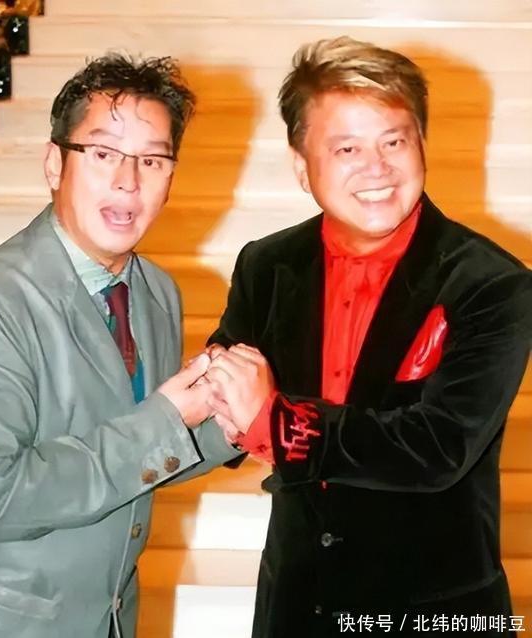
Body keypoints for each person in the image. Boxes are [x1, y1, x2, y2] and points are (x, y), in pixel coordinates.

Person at [0, 54, 239, 638]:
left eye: (152, 160)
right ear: (55, 164)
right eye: (103, 154)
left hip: (101, 616)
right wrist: (166, 419)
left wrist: (229, 424)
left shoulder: (155, 292)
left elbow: (130, 458)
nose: (128, 181)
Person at [205, 36, 532, 637]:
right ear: (301, 166)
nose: (376, 167)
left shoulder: (492, 284)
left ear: (422, 143)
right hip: (295, 604)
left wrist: (274, 422)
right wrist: (214, 397)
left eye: (393, 141)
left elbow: (437, 448)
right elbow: (224, 384)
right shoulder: (266, 265)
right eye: (347, 148)